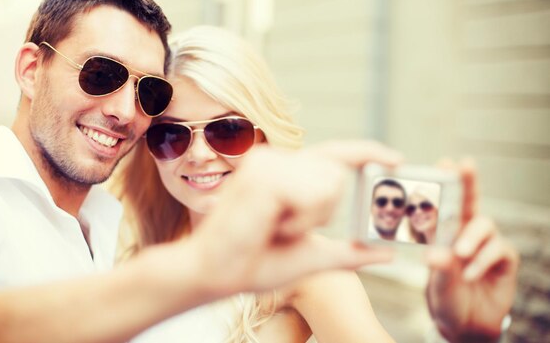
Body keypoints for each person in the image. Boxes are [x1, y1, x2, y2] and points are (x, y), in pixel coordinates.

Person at [0, 0, 402, 343]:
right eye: (100, 73)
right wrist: (198, 268)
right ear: (31, 69)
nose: (122, 110)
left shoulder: (106, 231)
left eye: (228, 130)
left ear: (264, 136)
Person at [113, 25, 520, 342]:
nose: (198, 155)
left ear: (265, 136)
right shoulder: (127, 246)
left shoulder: (308, 268)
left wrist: (466, 337)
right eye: (171, 135)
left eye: (228, 131)